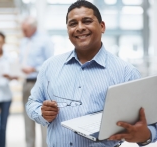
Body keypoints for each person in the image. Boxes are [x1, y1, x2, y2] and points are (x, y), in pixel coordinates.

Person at [26, 1, 157, 147]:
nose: (80, 28)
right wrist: (41, 113)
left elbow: (152, 122)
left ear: (102, 27)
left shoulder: (126, 73)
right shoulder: (50, 67)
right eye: (73, 23)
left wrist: (146, 135)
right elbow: (32, 103)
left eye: (87, 21)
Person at [20, 17, 54, 147]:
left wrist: (34, 68)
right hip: (26, 83)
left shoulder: (44, 41)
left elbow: (50, 64)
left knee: (43, 118)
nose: (23, 31)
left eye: (25, 29)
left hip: (40, 83)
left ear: (33, 28)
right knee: (27, 118)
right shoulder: (24, 41)